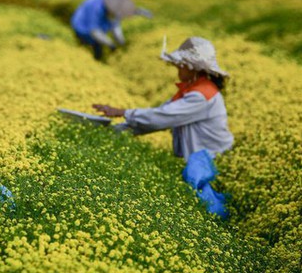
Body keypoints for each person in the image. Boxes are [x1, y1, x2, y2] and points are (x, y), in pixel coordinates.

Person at [93, 37, 232, 217]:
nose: (177, 69)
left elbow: (161, 118)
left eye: (180, 66)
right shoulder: (191, 89)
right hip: (201, 157)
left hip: (210, 158)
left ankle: (220, 223)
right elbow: (160, 115)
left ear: (191, 67)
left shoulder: (200, 95)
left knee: (204, 200)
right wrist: (116, 130)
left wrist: (123, 112)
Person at [70, 0, 152, 60]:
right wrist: (110, 44)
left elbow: (115, 26)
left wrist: (121, 43)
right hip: (83, 27)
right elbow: (94, 32)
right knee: (93, 47)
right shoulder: (95, 7)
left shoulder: (116, 7)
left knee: (100, 45)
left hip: (99, 26)